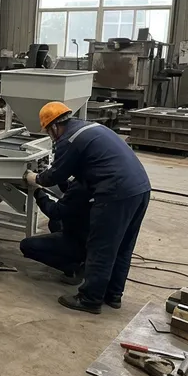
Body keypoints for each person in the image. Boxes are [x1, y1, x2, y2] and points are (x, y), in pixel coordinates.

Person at [24, 101, 151, 314]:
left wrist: (35, 179)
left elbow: (56, 175)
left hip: (114, 193)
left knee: (101, 247)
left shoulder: (69, 139)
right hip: (141, 189)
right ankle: (113, 295)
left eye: (48, 132)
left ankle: (90, 299)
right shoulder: (91, 128)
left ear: (54, 126)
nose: (51, 137)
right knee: (123, 246)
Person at [20, 181, 91, 285]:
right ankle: (79, 258)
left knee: (27, 245)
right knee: (54, 222)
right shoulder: (95, 181)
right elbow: (69, 188)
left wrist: (37, 192)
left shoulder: (82, 186)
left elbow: (54, 211)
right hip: (87, 234)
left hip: (81, 240)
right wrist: (55, 179)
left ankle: (74, 267)